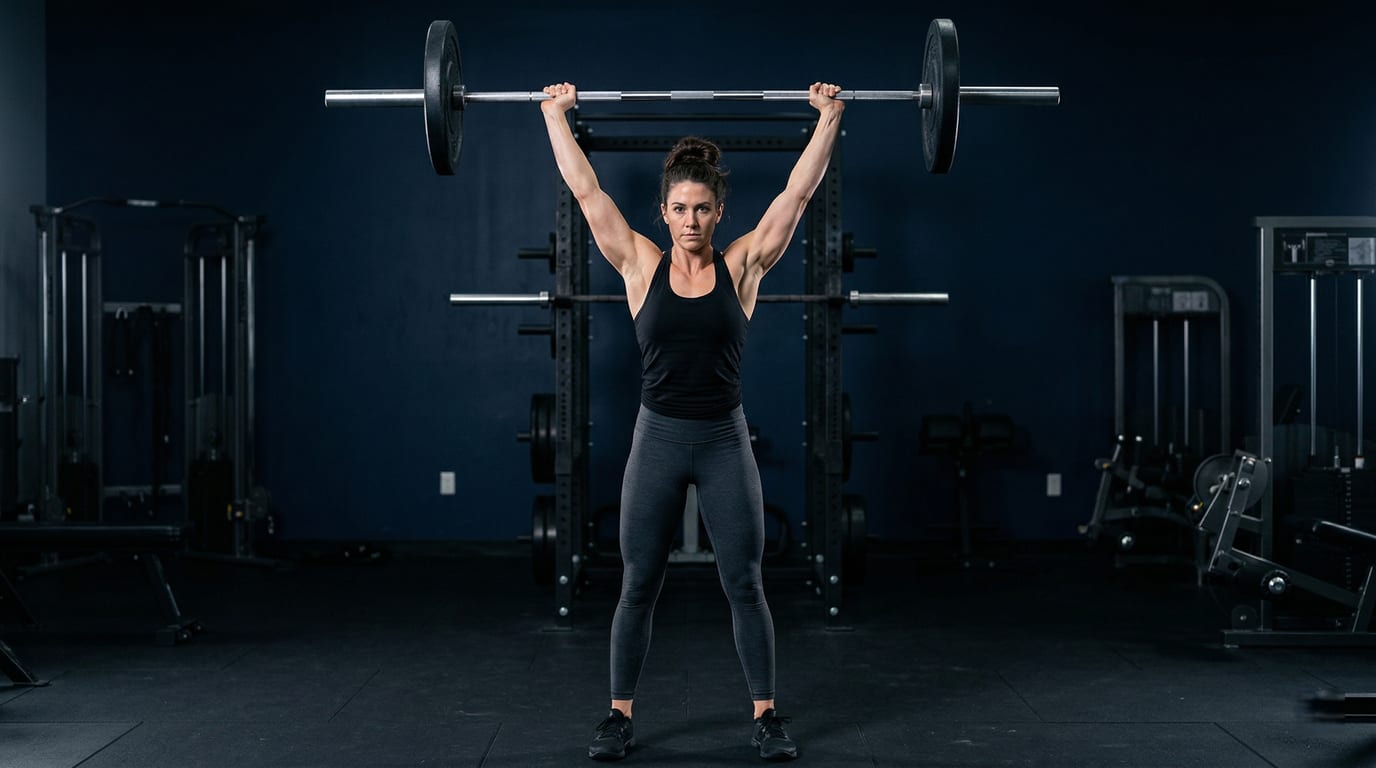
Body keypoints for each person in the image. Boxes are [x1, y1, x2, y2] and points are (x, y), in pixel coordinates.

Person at [538, 80, 844, 762]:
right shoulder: (640, 266)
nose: (690, 220)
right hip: (659, 439)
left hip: (722, 441)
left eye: (703, 209)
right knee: (639, 579)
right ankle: (618, 715)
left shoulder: (744, 266)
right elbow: (587, 193)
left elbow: (796, 196)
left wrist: (830, 118)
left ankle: (766, 716)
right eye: (679, 208)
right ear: (664, 212)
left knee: (744, 580)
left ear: (719, 211)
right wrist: (553, 114)